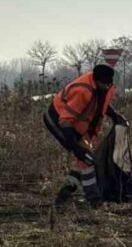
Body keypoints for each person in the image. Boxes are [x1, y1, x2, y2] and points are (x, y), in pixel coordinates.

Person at [43, 64, 126, 205]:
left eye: (108, 84)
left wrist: (114, 115)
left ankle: (64, 195)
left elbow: (101, 103)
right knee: (86, 159)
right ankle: (93, 199)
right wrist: (76, 147)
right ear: (96, 81)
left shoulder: (103, 87)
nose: (106, 87)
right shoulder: (82, 91)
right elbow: (65, 121)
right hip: (57, 120)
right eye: (104, 84)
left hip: (74, 125)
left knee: (83, 158)